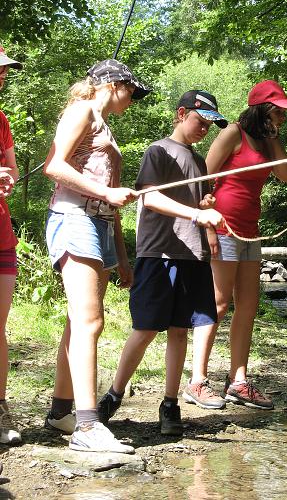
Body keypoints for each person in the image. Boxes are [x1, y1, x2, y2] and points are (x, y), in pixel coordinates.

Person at [97, 90, 227, 435]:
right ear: (182, 113)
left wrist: (204, 205)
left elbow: (196, 203)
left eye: (211, 125)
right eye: (201, 121)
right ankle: (114, 393)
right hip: (160, 254)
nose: (205, 129)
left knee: (180, 330)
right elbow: (151, 198)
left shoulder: (198, 162)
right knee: (145, 327)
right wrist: (196, 215)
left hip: (191, 255)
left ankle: (170, 404)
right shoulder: (160, 151)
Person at [43, 59, 150, 453]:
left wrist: (122, 257)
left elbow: (114, 200)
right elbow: (53, 166)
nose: (134, 100)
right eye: (133, 92)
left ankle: (61, 413)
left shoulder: (106, 127)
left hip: (101, 227)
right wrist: (105, 193)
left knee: (79, 322)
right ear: (114, 84)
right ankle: (88, 428)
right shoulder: (81, 111)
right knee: (91, 322)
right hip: (73, 219)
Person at [185, 80, 287, 410]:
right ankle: (197, 381)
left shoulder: (267, 142)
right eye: (278, 112)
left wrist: (275, 139)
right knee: (218, 304)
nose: (282, 118)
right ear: (261, 110)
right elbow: (203, 175)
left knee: (247, 306)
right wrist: (204, 218)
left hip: (250, 231)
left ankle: (238, 382)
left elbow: (286, 175)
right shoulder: (233, 132)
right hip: (221, 227)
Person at [0, 47, 23, 445]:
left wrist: (7, 178)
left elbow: (13, 172)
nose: (2, 76)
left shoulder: (1, 120)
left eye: (4, 72)